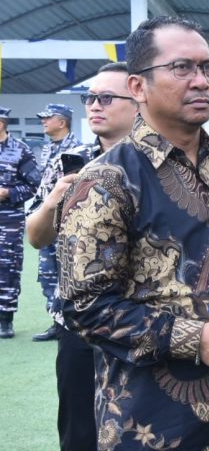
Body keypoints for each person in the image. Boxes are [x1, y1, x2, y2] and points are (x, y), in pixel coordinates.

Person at [56, 15, 209, 450]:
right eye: (181, 68)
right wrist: (197, 340)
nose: (201, 81)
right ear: (138, 86)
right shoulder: (107, 181)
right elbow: (85, 306)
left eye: (208, 67)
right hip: (157, 428)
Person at [26, 62, 138, 451]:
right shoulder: (70, 161)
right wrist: (55, 200)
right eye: (89, 98)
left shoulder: (163, 164)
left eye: (106, 98)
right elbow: (36, 237)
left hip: (143, 321)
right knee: (79, 432)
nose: (94, 106)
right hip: (79, 322)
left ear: (139, 100)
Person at [33, 103, 80, 341]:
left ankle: (70, 323)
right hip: (48, 220)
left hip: (69, 226)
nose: (43, 121)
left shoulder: (77, 151)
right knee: (48, 274)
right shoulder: (47, 149)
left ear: (62, 122)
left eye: (47, 118)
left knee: (68, 274)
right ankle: (56, 322)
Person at [0, 107, 41, 338]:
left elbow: (34, 185)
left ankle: (5, 319)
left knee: (7, 268)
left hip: (8, 220)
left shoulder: (20, 150)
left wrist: (8, 193)